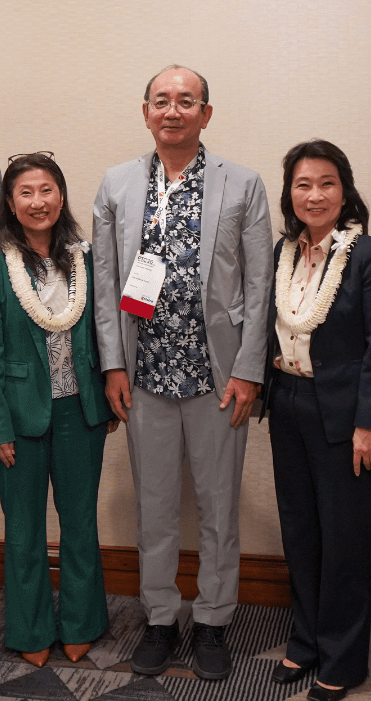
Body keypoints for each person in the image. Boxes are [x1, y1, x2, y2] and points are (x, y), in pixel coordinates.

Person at [93, 64, 273, 680]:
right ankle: (162, 617)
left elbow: (259, 282)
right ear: (145, 112)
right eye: (161, 101)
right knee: (155, 504)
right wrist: (112, 363)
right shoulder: (116, 185)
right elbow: (106, 284)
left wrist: (250, 369)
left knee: (220, 506)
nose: (173, 110)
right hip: (144, 374)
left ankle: (216, 621)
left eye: (187, 101)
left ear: (207, 113)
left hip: (218, 375)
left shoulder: (243, 185)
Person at [262, 140, 371, 701]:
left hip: (346, 418)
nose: (314, 194)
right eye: (303, 184)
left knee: (344, 538)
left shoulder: (369, 254)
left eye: (326, 183)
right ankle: (306, 641)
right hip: (289, 405)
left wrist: (369, 424)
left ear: (344, 191)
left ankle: (342, 659)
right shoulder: (283, 253)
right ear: (289, 193)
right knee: (299, 529)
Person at [0, 153, 117, 668]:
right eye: (27, 193)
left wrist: (108, 391)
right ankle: (31, 627)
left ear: (61, 196)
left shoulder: (86, 259)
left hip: (81, 411)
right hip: (19, 416)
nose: (39, 202)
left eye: (48, 190)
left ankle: (81, 622)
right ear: (10, 203)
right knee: (24, 528)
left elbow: (105, 333)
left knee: (80, 523)